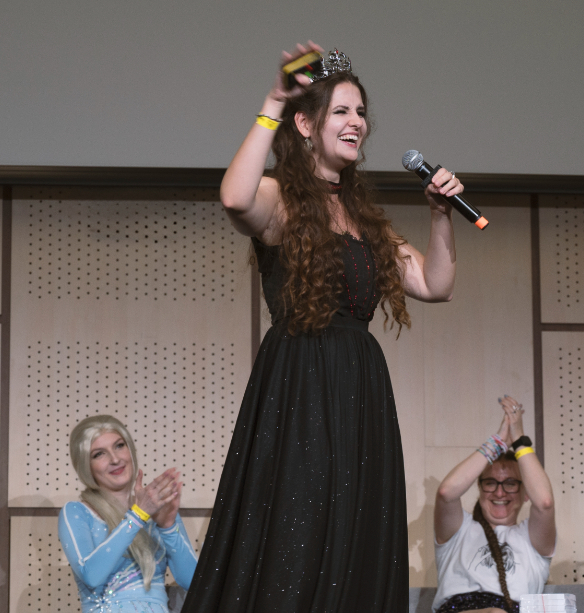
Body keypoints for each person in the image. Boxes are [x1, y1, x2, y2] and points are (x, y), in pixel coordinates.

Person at [182, 42, 463, 613]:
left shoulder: (365, 220)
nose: (356, 122)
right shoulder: (280, 199)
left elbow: (436, 284)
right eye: (341, 111)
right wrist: (273, 102)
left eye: (360, 112)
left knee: (355, 535)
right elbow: (234, 196)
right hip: (301, 385)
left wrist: (439, 216)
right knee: (299, 533)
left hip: (360, 390)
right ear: (306, 125)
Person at [59, 414, 198, 613]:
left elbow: (194, 582)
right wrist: (138, 515)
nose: (115, 459)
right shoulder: (76, 512)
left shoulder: (158, 509)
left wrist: (168, 527)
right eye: (99, 454)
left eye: (119, 446)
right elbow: (90, 575)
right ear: (85, 465)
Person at [431, 395, 557, 613]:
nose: (499, 492)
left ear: (526, 493)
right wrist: (497, 441)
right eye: (490, 483)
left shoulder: (531, 539)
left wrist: (519, 440)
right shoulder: (460, 531)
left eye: (510, 483)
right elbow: (446, 493)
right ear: (479, 487)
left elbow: (545, 502)